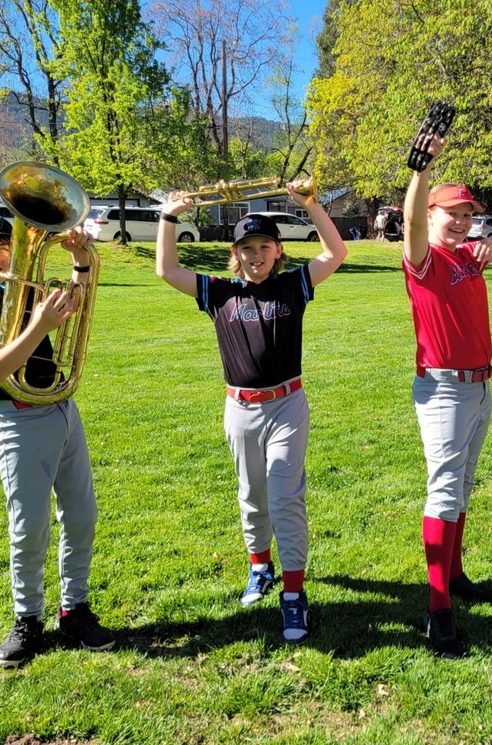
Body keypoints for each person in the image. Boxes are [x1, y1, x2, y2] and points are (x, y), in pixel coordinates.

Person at [156, 183, 347, 644]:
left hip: (287, 405)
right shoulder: (219, 293)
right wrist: (168, 217)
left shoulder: (292, 285)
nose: (255, 254)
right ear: (235, 254)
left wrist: (312, 205)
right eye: (247, 248)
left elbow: (335, 252)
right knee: (251, 493)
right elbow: (167, 269)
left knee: (285, 495)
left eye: (264, 246)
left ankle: (294, 594)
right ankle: (260, 568)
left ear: (278, 250)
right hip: (240, 407)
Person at [0, 212, 115, 668]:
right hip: (17, 419)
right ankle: (27, 620)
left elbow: (74, 303)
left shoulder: (21, 293)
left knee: (81, 516)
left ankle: (74, 609)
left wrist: (81, 259)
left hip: (61, 408)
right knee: (30, 528)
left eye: (3, 247)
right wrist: (38, 326)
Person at [403, 132, 492, 659]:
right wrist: (421, 171)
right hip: (445, 389)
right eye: (450, 212)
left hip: (480, 385)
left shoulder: (469, 256)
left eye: (466, 213)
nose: (459, 220)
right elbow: (410, 222)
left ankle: (454, 576)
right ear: (431, 216)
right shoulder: (424, 258)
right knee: (445, 489)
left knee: (464, 483)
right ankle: (437, 610)